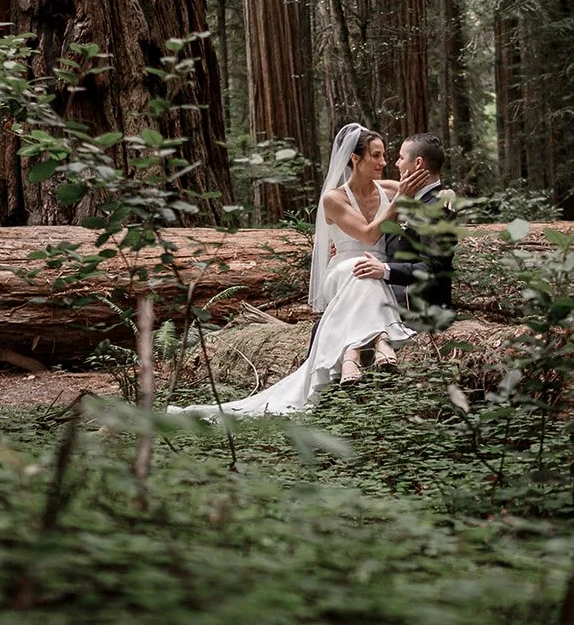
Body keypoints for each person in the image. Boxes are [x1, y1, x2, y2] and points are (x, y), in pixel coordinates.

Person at [169, 123, 430, 418]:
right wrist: (398, 203)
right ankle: (381, 341)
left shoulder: (389, 189)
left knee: (368, 271)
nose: (384, 163)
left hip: (375, 270)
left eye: (385, 156)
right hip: (342, 271)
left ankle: (353, 356)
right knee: (360, 268)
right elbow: (369, 236)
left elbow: (431, 192)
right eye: (376, 155)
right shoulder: (334, 198)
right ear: (355, 159)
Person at [352, 132, 456, 314]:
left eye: (401, 157)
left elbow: (431, 268)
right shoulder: (407, 198)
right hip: (391, 294)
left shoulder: (438, 207)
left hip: (416, 305)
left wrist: (384, 270)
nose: (396, 163)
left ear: (418, 163)